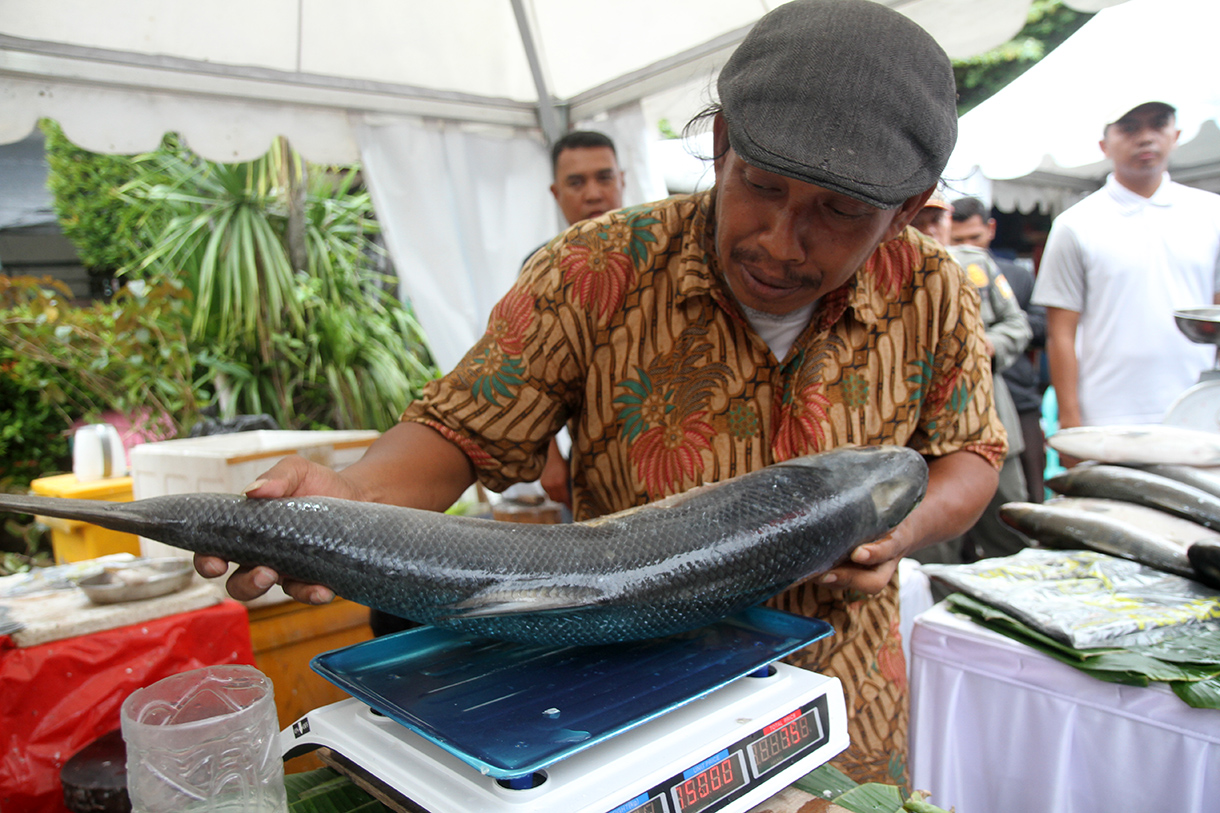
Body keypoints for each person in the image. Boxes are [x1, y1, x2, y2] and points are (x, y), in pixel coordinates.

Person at [195, 0, 1004, 786]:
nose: (779, 241)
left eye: (838, 211)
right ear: (722, 144)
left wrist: (902, 529)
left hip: (845, 701)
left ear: (904, 210)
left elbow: (971, 454)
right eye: (761, 185)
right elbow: (460, 431)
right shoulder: (596, 268)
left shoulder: (933, 290)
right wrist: (347, 496)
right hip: (638, 715)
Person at [1032, 101, 1220, 457]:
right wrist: (1069, 421)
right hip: (1106, 415)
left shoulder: (1212, 213)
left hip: (1197, 409)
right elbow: (1060, 333)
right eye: (1130, 127)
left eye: (1158, 125)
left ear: (1176, 135)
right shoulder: (1075, 224)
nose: (1146, 137)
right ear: (1104, 144)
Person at [909, 194, 1032, 563]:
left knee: (1009, 530)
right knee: (932, 549)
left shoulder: (974, 265)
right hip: (922, 435)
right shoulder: (888, 273)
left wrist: (984, 346)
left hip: (987, 419)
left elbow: (1017, 325)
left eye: (937, 220)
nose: (930, 229)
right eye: (921, 221)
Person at [538, 131, 627, 508]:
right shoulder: (542, 270)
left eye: (604, 178)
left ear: (622, 180)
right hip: (590, 469)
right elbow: (531, 373)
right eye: (577, 182)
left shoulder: (666, 254)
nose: (593, 193)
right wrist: (549, 459)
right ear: (556, 193)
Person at [951, 196, 1047, 503]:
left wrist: (990, 343)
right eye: (959, 240)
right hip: (960, 406)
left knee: (1024, 494)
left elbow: (1041, 325)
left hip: (1015, 394)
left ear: (991, 230)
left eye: (974, 238)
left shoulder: (1013, 274)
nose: (969, 245)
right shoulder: (937, 270)